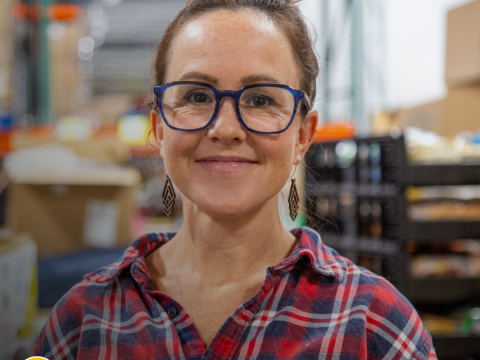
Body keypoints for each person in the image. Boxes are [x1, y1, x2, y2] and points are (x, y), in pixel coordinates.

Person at [35, 0, 437, 358]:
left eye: (261, 99)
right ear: (159, 129)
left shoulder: (374, 324)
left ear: (302, 136)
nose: (226, 129)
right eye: (196, 97)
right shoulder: (81, 323)